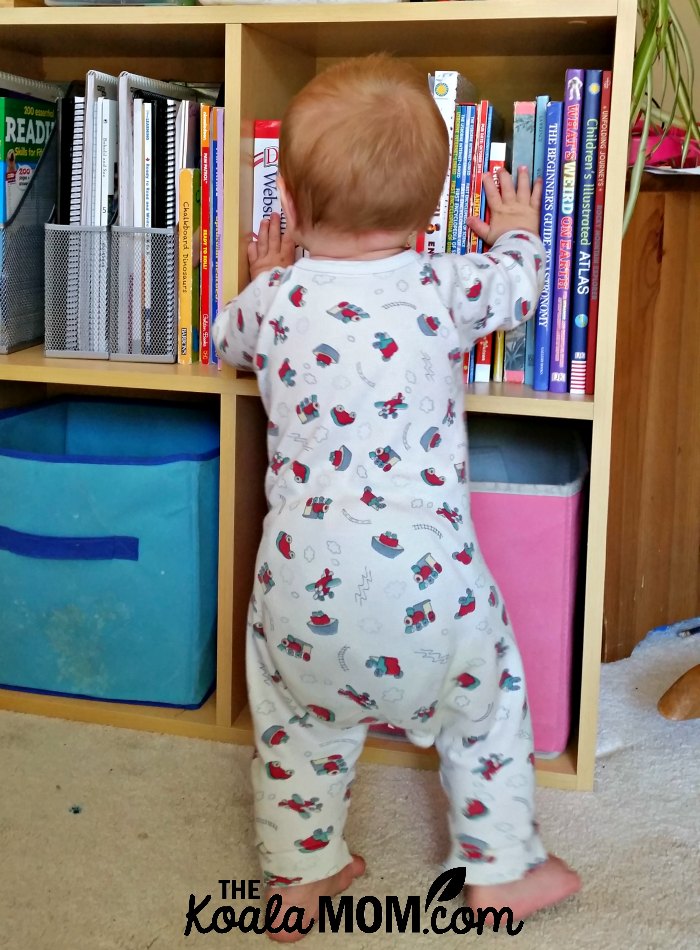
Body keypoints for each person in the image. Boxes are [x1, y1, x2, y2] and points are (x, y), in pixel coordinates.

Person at [212, 53, 581, 941]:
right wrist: (521, 232)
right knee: (486, 709)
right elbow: (522, 288)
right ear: (430, 213)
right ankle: (503, 869)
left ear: (292, 208)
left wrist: (269, 272)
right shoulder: (442, 284)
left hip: (302, 596)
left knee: (295, 728)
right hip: (431, 594)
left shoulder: (275, 301)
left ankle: (302, 876)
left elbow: (227, 342)